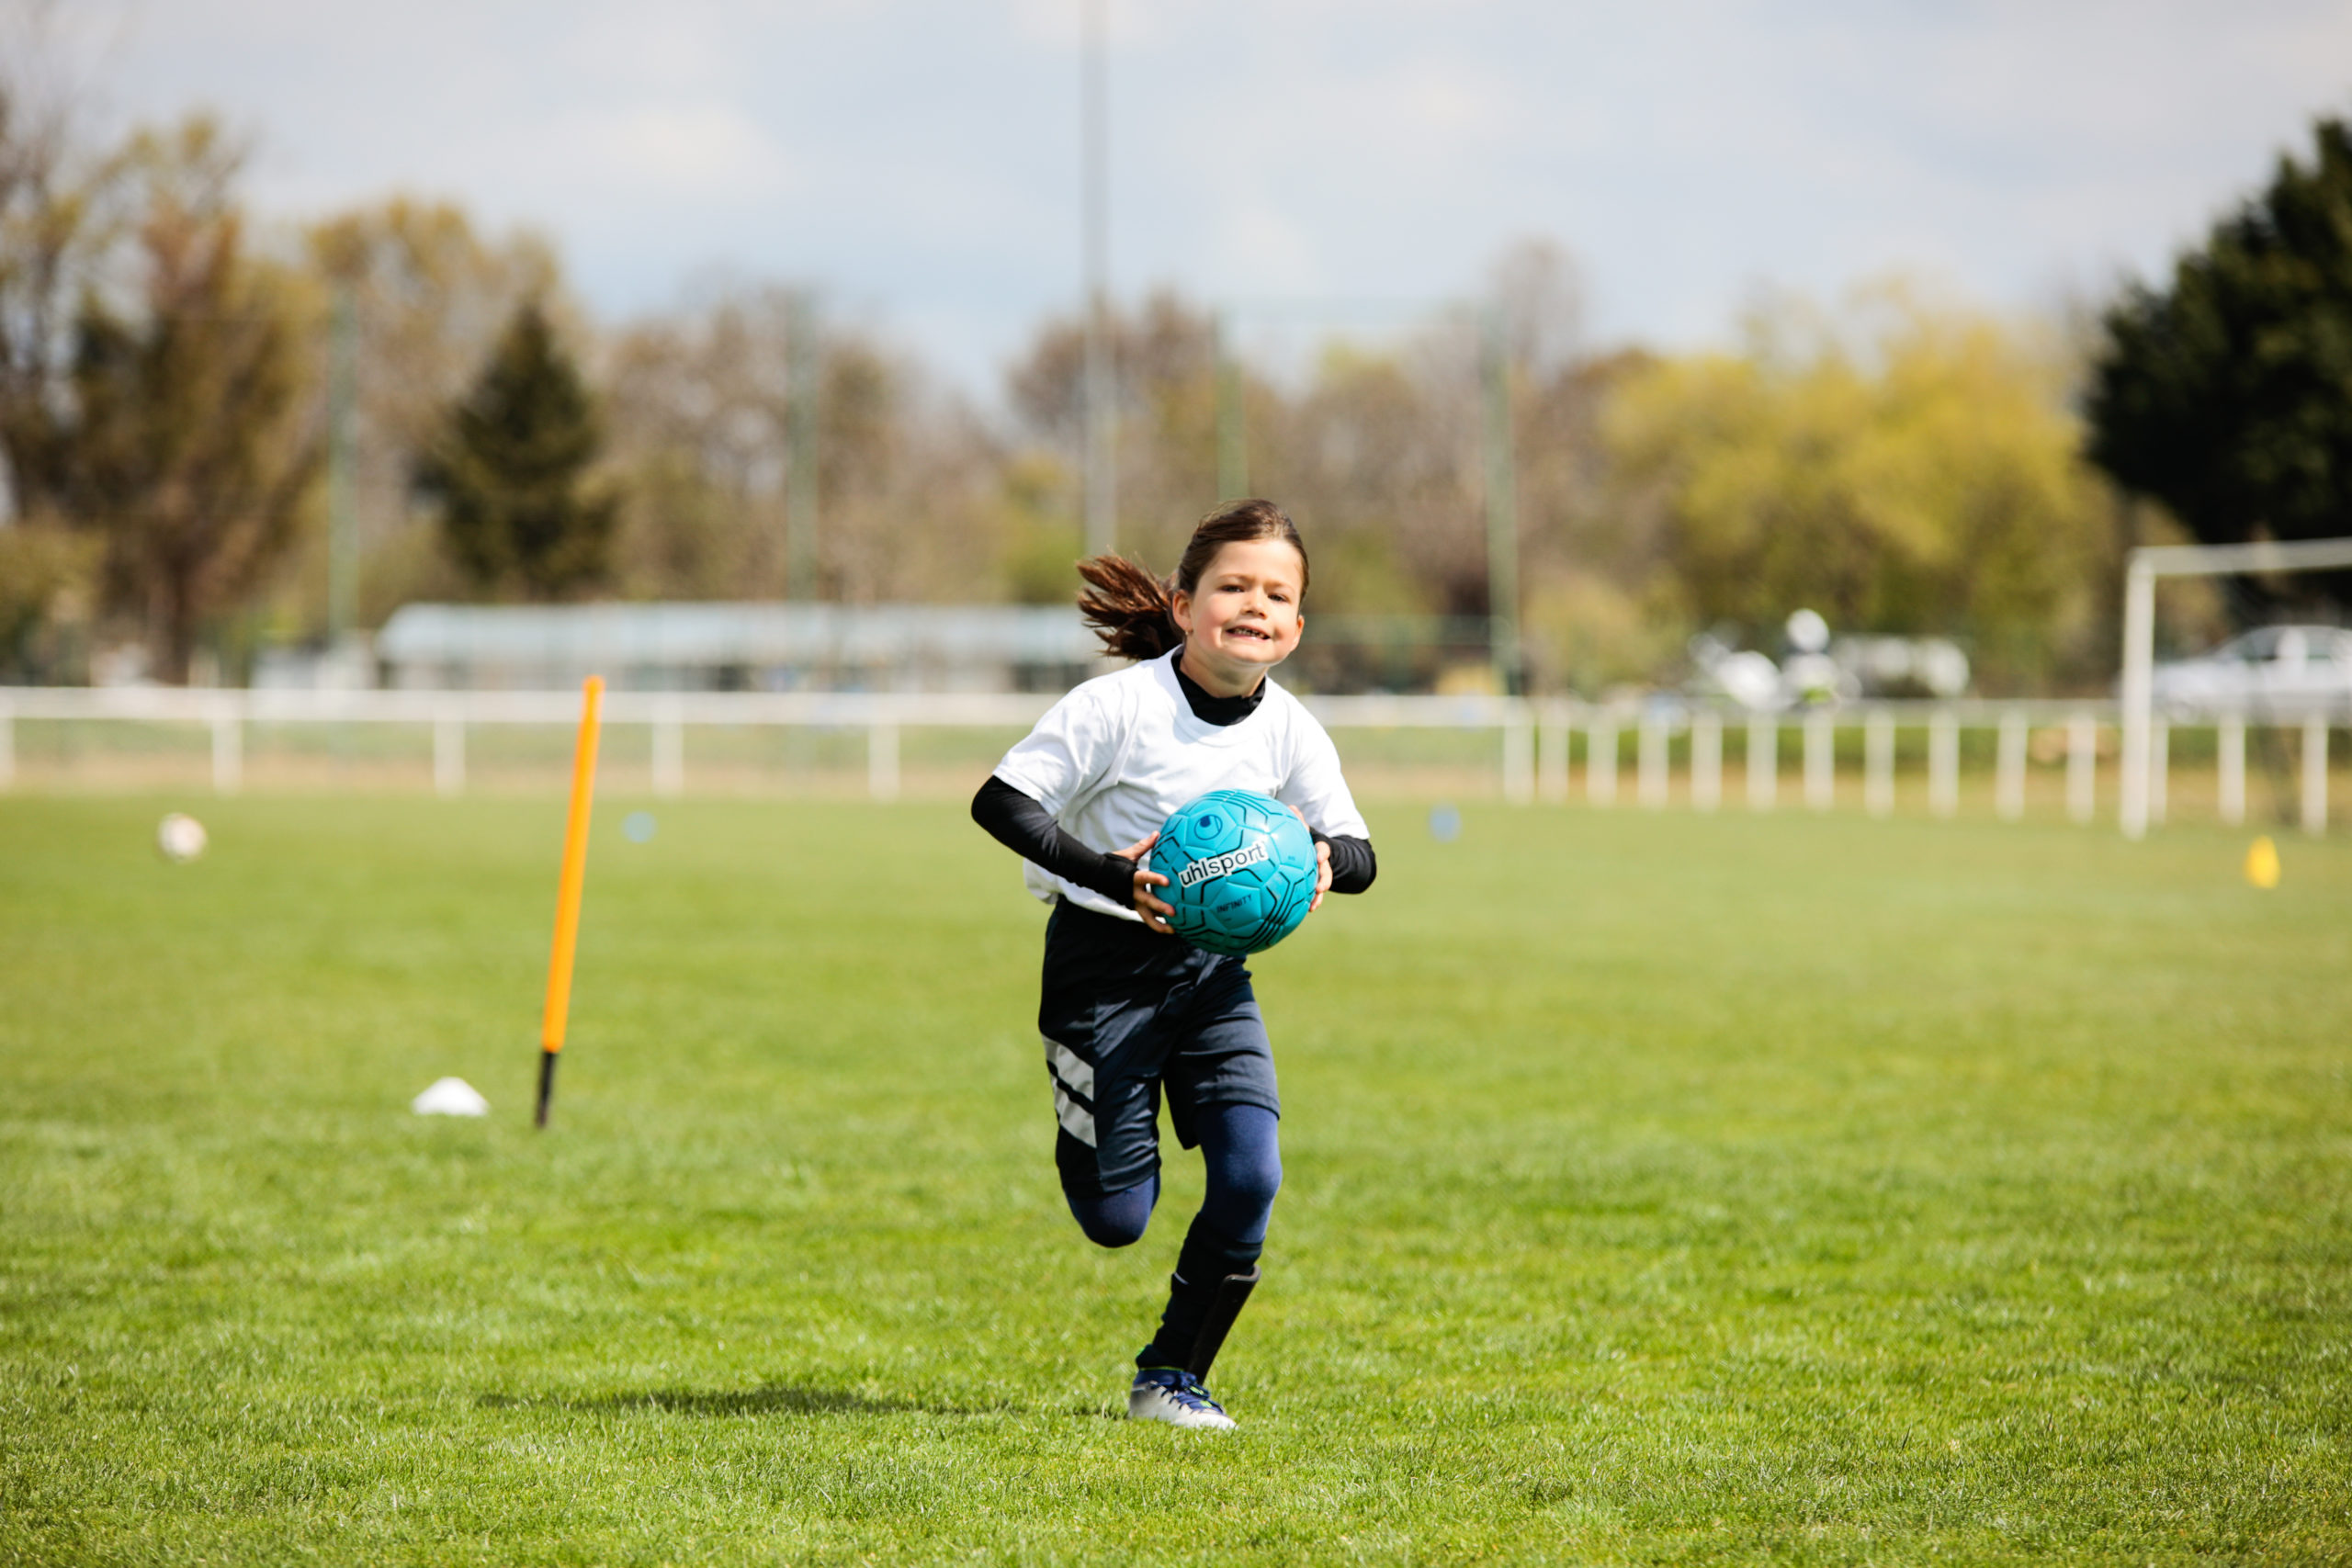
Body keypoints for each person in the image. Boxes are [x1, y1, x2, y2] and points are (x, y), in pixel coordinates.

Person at [970, 498, 1377, 1430]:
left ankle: (1171, 1377)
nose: (1255, 605)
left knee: (1250, 1175)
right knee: (1117, 1219)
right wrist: (1115, 877)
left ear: (1298, 625)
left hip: (1210, 975)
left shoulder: (1290, 731)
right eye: (1234, 585)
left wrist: (1320, 861)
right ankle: (1085, 1109)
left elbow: (1359, 854)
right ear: (1186, 604)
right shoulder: (1118, 707)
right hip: (1097, 969)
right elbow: (1000, 803)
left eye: (1277, 594)